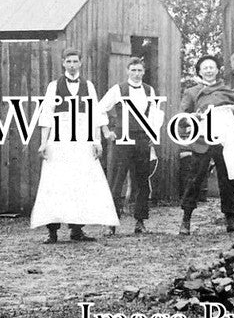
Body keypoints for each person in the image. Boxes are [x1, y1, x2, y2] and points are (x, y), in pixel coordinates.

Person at [30, 48, 118, 243]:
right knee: (56, 181)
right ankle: (52, 231)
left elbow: (95, 114)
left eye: (75, 61)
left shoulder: (89, 86)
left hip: (82, 138)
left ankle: (77, 230)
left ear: (80, 63)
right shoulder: (54, 86)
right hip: (60, 139)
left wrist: (97, 141)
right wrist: (44, 143)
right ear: (63, 63)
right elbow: (46, 114)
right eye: (68, 61)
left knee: (80, 181)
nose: (71, 65)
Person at [178, 55, 234, 236]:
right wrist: (196, 118)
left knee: (227, 179)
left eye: (212, 67)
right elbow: (182, 118)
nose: (208, 70)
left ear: (217, 70)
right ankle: (186, 220)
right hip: (202, 141)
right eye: (205, 68)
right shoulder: (192, 92)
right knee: (195, 179)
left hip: (223, 142)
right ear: (199, 71)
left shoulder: (227, 91)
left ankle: (231, 219)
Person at [99, 57, 161, 234]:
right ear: (127, 71)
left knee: (142, 180)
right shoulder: (118, 89)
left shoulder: (149, 90)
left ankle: (140, 221)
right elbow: (100, 108)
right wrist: (106, 131)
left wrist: (152, 133)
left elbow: (155, 114)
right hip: (123, 139)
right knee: (117, 179)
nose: (136, 74)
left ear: (144, 72)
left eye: (139, 70)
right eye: (133, 70)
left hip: (142, 139)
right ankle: (112, 223)